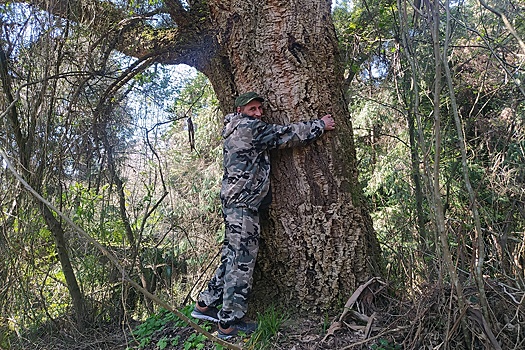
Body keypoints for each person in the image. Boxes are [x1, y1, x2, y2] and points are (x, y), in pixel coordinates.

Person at [191, 92, 335, 339]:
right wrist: (320, 125)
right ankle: (228, 323)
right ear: (240, 112)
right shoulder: (249, 128)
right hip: (242, 205)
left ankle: (205, 304)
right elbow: (285, 135)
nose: (258, 113)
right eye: (251, 109)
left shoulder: (235, 127)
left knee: (231, 256)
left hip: (235, 203)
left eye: (259, 109)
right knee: (241, 261)